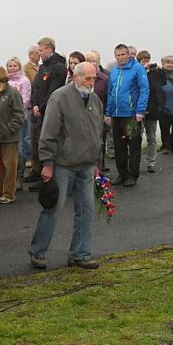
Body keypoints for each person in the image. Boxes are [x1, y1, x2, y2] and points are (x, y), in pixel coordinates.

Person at [28, 62, 103, 270]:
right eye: (88, 78)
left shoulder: (95, 100)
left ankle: (81, 254)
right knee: (53, 208)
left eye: (94, 78)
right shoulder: (59, 98)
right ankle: (37, 251)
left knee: (86, 210)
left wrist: (96, 161)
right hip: (62, 164)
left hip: (86, 165)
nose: (91, 82)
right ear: (75, 77)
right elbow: (48, 133)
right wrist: (48, 163)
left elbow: (97, 133)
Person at [105, 44, 149, 187]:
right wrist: (108, 112)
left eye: (123, 54)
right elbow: (110, 93)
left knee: (134, 145)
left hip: (131, 115)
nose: (121, 57)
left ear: (128, 55)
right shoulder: (114, 71)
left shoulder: (137, 69)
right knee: (119, 147)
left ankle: (132, 175)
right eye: (118, 55)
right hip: (117, 115)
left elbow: (144, 90)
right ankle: (122, 174)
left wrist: (140, 111)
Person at [25, 37, 67, 188]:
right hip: (37, 111)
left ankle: (47, 178)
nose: (39, 54)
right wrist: (35, 104)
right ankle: (37, 172)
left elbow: (53, 91)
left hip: (49, 111)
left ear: (50, 49)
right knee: (36, 142)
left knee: (47, 144)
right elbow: (36, 87)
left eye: (41, 51)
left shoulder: (59, 68)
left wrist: (42, 108)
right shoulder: (42, 67)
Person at [0, 66, 24, 204]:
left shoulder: (12, 94)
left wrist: (9, 129)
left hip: (9, 138)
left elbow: (19, 115)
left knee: (9, 166)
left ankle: (9, 193)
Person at [137, 50, 164, 173]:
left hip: (152, 110)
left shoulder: (155, 74)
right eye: (143, 61)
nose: (146, 63)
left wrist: (159, 70)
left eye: (147, 60)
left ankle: (151, 162)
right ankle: (135, 162)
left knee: (151, 138)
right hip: (139, 110)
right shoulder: (137, 72)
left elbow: (163, 82)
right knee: (136, 137)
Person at [6, 56, 32, 186]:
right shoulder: (6, 81)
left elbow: (26, 101)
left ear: (19, 66)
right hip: (6, 119)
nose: (12, 68)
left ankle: (19, 177)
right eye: (10, 66)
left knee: (20, 148)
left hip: (20, 117)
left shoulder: (24, 80)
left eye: (14, 66)